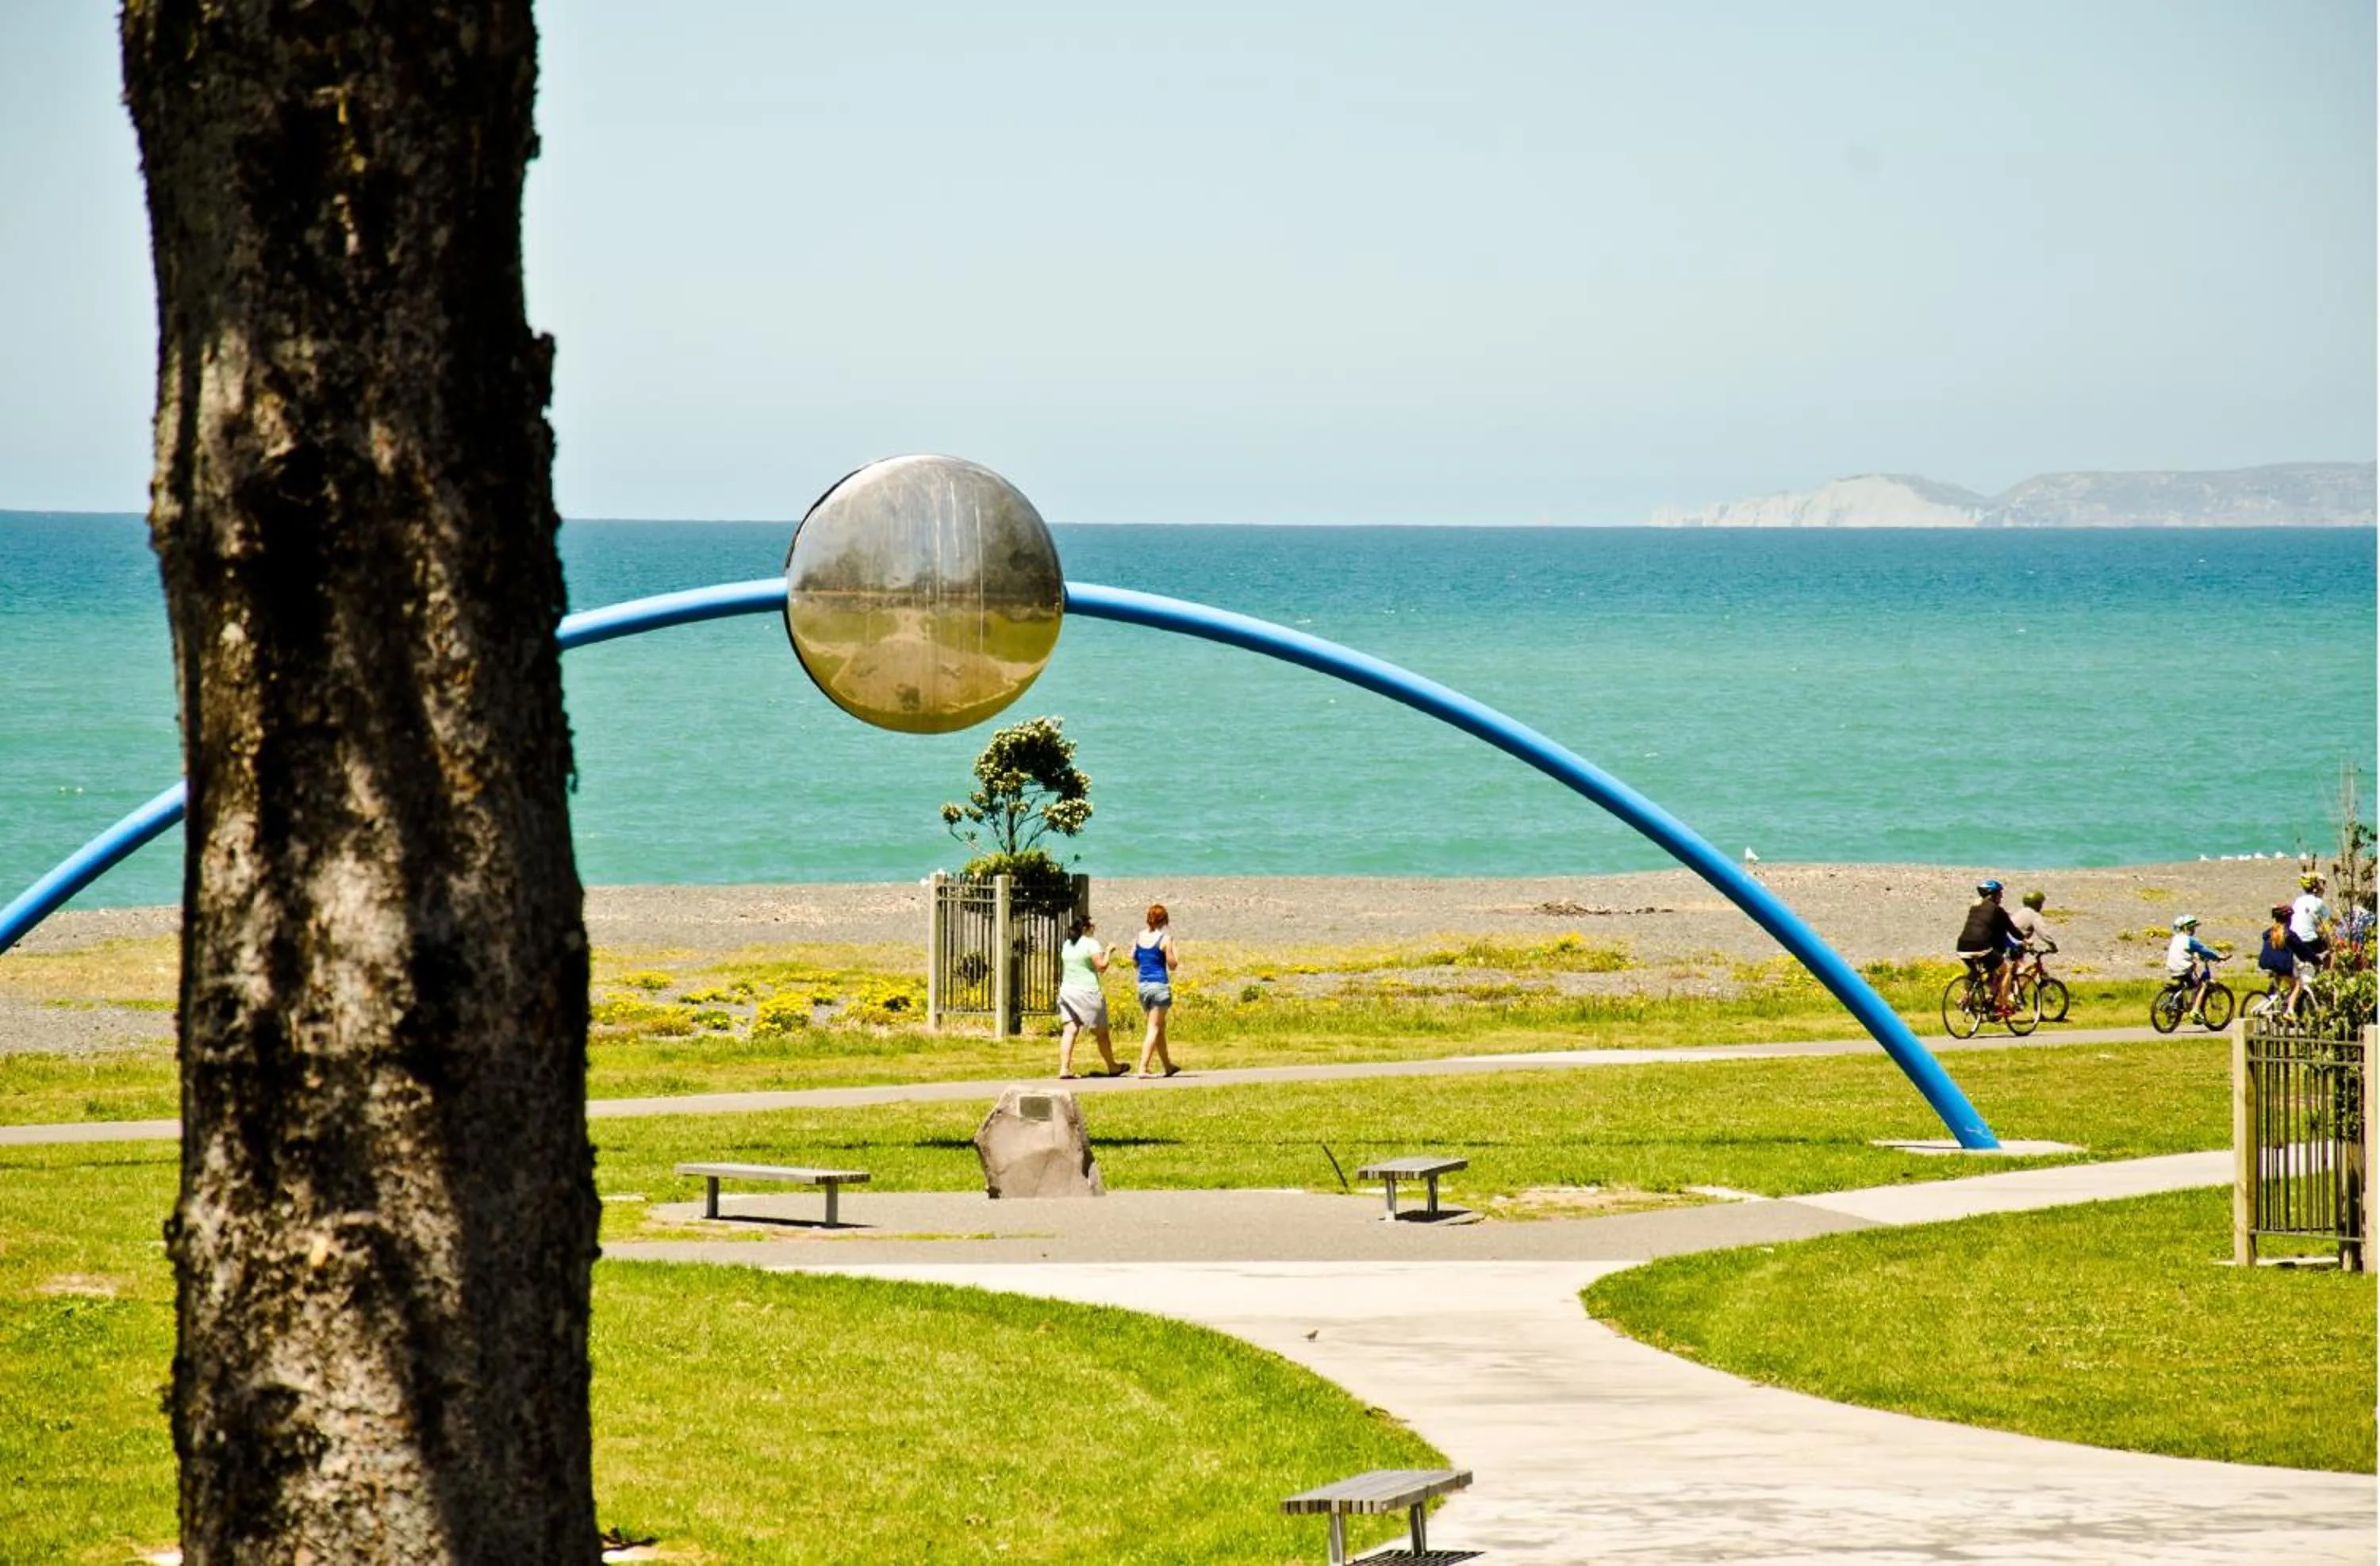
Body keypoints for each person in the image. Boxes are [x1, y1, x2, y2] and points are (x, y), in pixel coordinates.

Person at [1054, 914, 1123, 1079]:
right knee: (1101, 1032)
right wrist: (1109, 951)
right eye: (1092, 927)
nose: (1094, 930)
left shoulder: (1067, 944)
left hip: (1067, 990)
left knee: (1070, 1030)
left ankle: (1064, 1068)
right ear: (1085, 928)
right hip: (1087, 992)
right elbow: (1102, 966)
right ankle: (1112, 1066)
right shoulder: (1091, 944)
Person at [1955, 879, 2023, 1015]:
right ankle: (2001, 1005)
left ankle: (1965, 998)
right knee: (2007, 970)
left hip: (1962, 946)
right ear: (1993, 895)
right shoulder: (1997, 910)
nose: (2001, 897)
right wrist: (2024, 939)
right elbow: (2012, 930)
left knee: (1975, 972)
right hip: (1981, 946)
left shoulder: (1974, 908)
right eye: (2000, 894)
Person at [1130, 902, 1180, 1077]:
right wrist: (1173, 950)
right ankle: (1143, 1067)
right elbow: (1172, 965)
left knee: (1159, 1027)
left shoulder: (1139, 937)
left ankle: (1168, 1065)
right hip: (1159, 985)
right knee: (1154, 1028)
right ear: (1164, 920)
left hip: (1143, 986)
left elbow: (1135, 961)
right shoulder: (1165, 939)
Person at [2286, 873, 2332, 1015]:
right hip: (2309, 942)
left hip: (2293, 940)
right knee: (2331, 952)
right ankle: (2325, 980)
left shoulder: (2298, 901)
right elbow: (2327, 926)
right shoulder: (2319, 903)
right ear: (2316, 887)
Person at [2165, 915, 2221, 1023]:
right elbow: (2204, 950)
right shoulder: (2189, 940)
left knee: (2189, 982)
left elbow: (2186, 952)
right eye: (2192, 927)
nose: (2194, 929)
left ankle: (2182, 1004)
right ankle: (2195, 1011)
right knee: (2202, 985)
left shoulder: (2176, 938)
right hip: (2183, 968)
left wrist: (2197, 956)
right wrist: (2217, 957)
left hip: (2172, 967)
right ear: (2186, 928)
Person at [2257, 903, 2297, 1014]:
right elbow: (2302, 949)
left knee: (2277, 980)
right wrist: (2314, 959)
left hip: (2265, 962)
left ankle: (2269, 1000)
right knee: (2296, 984)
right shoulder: (2288, 934)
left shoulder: (2269, 932)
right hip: (2280, 965)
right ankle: (2289, 1010)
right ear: (2289, 919)